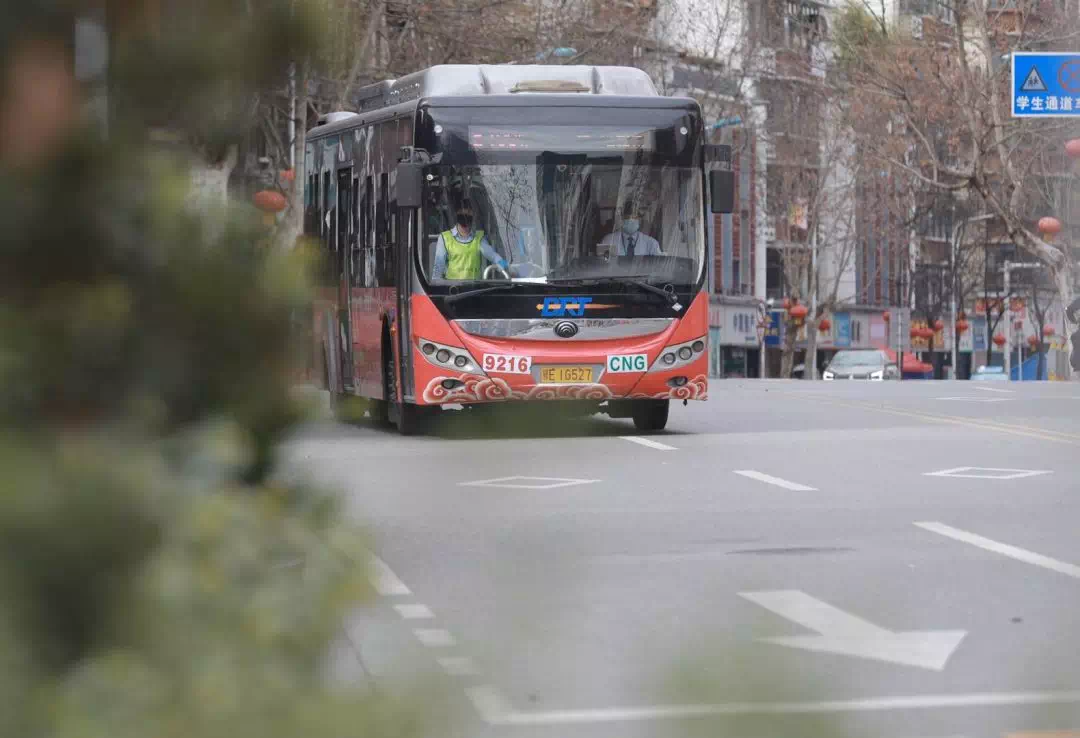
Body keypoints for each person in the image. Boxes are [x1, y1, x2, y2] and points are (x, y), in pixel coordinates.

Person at [432, 201, 509, 280]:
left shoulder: (478, 238)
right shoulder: (445, 238)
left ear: (472, 218)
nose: (465, 225)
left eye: (469, 217)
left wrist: (505, 266)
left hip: (474, 288)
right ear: (457, 217)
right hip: (453, 289)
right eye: (462, 217)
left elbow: (492, 255)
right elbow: (438, 267)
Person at [596, 202, 662, 258]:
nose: (631, 220)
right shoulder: (608, 240)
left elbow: (658, 268)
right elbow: (602, 265)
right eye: (627, 217)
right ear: (622, 219)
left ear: (639, 220)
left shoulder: (651, 243)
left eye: (634, 217)